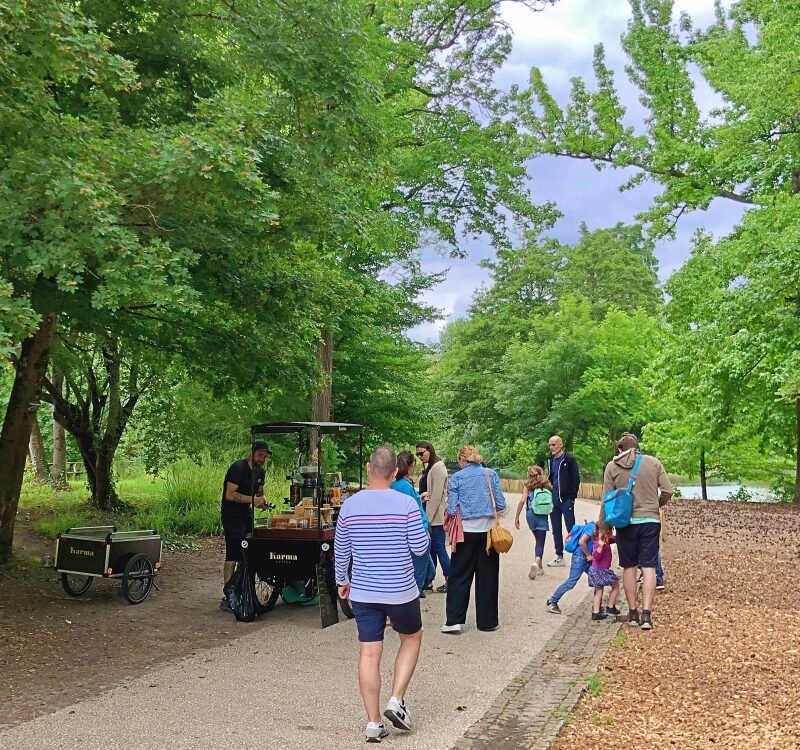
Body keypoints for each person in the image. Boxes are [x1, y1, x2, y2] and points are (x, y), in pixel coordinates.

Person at [335, 446, 429, 743]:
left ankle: (373, 723)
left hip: (363, 591)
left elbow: (341, 549)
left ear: (367, 468)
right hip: (400, 591)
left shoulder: (350, 505)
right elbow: (420, 548)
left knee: (369, 653)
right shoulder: (407, 504)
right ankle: (396, 699)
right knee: (411, 638)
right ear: (395, 472)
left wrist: (342, 580)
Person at [603, 434, 672, 631]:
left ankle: (632, 613)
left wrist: (603, 526)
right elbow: (667, 490)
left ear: (619, 450)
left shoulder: (612, 467)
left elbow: (607, 499)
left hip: (625, 523)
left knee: (629, 567)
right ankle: (647, 615)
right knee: (649, 567)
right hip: (650, 521)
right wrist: (655, 505)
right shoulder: (653, 463)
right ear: (637, 448)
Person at [441, 445, 506, 634]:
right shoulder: (490, 474)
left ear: (462, 460)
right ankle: (487, 621)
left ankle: (454, 620)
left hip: (466, 533)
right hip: (488, 534)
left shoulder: (458, 478)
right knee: (488, 577)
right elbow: (501, 504)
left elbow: (452, 509)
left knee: (459, 576)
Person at [219, 441, 269, 611]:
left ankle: (240, 589)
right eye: (260, 455)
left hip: (246, 515)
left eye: (265, 456)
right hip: (232, 515)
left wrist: (262, 502)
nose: (262, 459)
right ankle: (228, 596)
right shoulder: (238, 468)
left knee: (248, 551)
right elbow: (230, 495)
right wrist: (252, 500)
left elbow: (259, 493)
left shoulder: (261, 472)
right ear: (252, 452)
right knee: (232, 554)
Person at [392, 450, 436, 597]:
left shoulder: (394, 485)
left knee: (429, 570)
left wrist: (419, 498)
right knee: (420, 571)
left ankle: (419, 589)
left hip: (406, 531)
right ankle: (414, 596)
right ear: (410, 466)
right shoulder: (405, 486)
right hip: (418, 530)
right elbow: (413, 511)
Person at [416, 441, 450, 593]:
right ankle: (429, 580)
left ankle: (451, 579)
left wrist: (427, 519)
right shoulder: (432, 467)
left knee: (439, 548)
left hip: (436, 518)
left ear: (430, 450)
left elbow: (436, 497)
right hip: (432, 516)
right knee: (432, 550)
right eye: (417, 454)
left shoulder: (438, 468)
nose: (419, 457)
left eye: (421, 453)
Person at [545, 519, 594, 614]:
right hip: (580, 558)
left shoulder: (600, 529)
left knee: (597, 580)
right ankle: (552, 601)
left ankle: (597, 608)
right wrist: (588, 555)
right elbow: (581, 542)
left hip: (588, 559)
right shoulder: (592, 527)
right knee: (570, 582)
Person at [546, 435, 581, 567]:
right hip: (553, 499)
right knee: (556, 528)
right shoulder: (550, 461)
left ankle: (577, 554)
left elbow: (576, 479)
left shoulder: (569, 459)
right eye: (549, 445)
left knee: (571, 528)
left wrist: (572, 498)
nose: (551, 448)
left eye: (553, 445)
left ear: (560, 445)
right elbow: (551, 478)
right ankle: (559, 556)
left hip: (566, 500)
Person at [513, 465, 551, 580]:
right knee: (540, 542)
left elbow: (523, 501)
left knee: (537, 540)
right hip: (542, 515)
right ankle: (536, 562)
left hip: (531, 515)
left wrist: (517, 516)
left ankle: (539, 566)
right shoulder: (546, 484)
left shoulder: (527, 486)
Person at [588, 519, 620, 621]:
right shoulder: (599, 543)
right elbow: (595, 556)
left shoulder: (606, 539)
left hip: (598, 570)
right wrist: (600, 547)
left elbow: (614, 539)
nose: (611, 533)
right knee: (615, 586)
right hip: (600, 570)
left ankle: (596, 611)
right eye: (609, 531)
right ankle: (609, 607)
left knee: (599, 590)